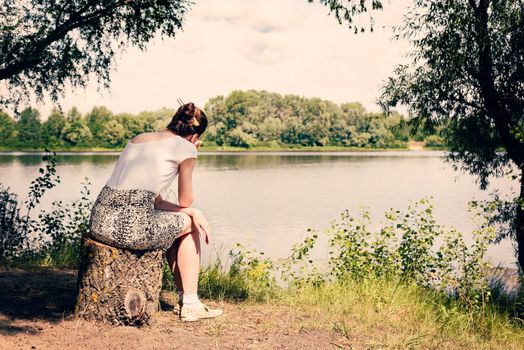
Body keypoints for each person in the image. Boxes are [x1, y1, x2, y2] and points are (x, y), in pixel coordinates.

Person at [88, 102, 223, 322]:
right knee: (190, 225)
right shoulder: (186, 147)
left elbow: (156, 202)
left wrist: (191, 211)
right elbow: (185, 199)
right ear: (194, 136)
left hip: (99, 221)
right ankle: (190, 304)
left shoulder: (139, 139)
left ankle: (186, 300)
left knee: (180, 222)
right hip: (129, 228)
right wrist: (191, 159)